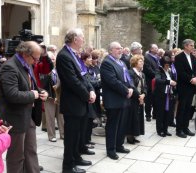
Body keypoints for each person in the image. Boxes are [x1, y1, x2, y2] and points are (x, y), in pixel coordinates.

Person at [0, 41, 48, 173]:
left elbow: (31, 87)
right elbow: (12, 95)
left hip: (27, 116)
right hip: (14, 118)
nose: (37, 62)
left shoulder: (27, 64)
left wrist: (41, 92)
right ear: (25, 54)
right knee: (16, 156)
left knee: (31, 151)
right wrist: (33, 95)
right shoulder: (10, 67)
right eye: (35, 58)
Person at [56, 28, 96, 173]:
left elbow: (84, 75)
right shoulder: (64, 56)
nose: (84, 39)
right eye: (82, 37)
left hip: (81, 101)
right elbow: (72, 81)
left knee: (78, 133)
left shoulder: (75, 55)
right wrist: (88, 95)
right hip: (73, 103)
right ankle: (68, 166)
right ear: (74, 39)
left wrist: (91, 89)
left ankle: (76, 157)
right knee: (71, 136)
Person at [100, 41, 133, 160]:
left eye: (121, 48)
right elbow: (112, 81)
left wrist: (131, 88)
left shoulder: (122, 62)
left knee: (121, 124)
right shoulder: (107, 63)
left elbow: (128, 78)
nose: (120, 50)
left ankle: (119, 145)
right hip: (113, 100)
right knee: (112, 126)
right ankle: (111, 150)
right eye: (117, 48)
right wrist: (126, 90)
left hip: (124, 98)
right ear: (110, 51)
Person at [174, 39, 196, 138]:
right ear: (185, 46)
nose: (193, 47)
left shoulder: (193, 57)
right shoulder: (179, 57)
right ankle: (179, 129)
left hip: (191, 86)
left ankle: (185, 127)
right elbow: (180, 72)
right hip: (183, 86)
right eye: (191, 45)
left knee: (188, 108)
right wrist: (191, 79)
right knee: (182, 108)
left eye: (193, 45)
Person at [43, 51, 64, 142]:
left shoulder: (60, 69)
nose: (52, 61)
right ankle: (51, 136)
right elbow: (43, 84)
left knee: (61, 116)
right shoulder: (45, 70)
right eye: (50, 59)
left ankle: (63, 134)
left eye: (53, 59)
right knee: (50, 117)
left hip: (60, 96)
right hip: (50, 97)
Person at [153, 56, 177, 137]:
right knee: (160, 113)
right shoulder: (158, 70)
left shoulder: (169, 71)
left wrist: (174, 83)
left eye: (169, 65)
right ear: (163, 64)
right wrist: (169, 82)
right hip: (160, 95)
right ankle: (160, 130)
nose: (168, 66)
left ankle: (165, 129)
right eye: (166, 65)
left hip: (169, 94)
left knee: (168, 113)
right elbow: (158, 80)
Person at [126, 54, 146, 144]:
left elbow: (145, 86)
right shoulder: (130, 73)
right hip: (133, 99)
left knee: (138, 117)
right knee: (132, 117)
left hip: (140, 98)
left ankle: (134, 135)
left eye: (142, 61)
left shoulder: (142, 74)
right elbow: (131, 86)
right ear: (135, 62)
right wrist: (139, 96)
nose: (142, 63)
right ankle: (129, 136)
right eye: (140, 61)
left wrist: (144, 94)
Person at [143, 44, 160, 121]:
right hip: (149, 81)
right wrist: (158, 75)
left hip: (156, 81)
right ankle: (148, 115)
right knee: (148, 99)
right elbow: (148, 70)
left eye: (157, 48)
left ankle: (155, 114)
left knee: (156, 98)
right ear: (151, 49)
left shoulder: (157, 57)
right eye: (155, 48)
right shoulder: (147, 57)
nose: (157, 49)